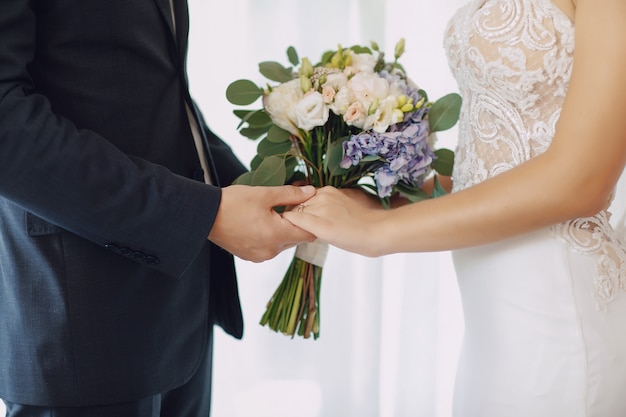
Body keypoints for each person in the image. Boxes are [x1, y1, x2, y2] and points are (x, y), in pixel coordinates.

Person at [284, 0, 626, 415]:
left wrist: (378, 232)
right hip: (490, 326)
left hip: (558, 314)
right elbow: (499, 159)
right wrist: (385, 199)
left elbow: (583, 180)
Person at [0, 0, 315, 416]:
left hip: (182, 313)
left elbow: (148, 93)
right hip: (81, 326)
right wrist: (208, 214)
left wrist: (267, 186)